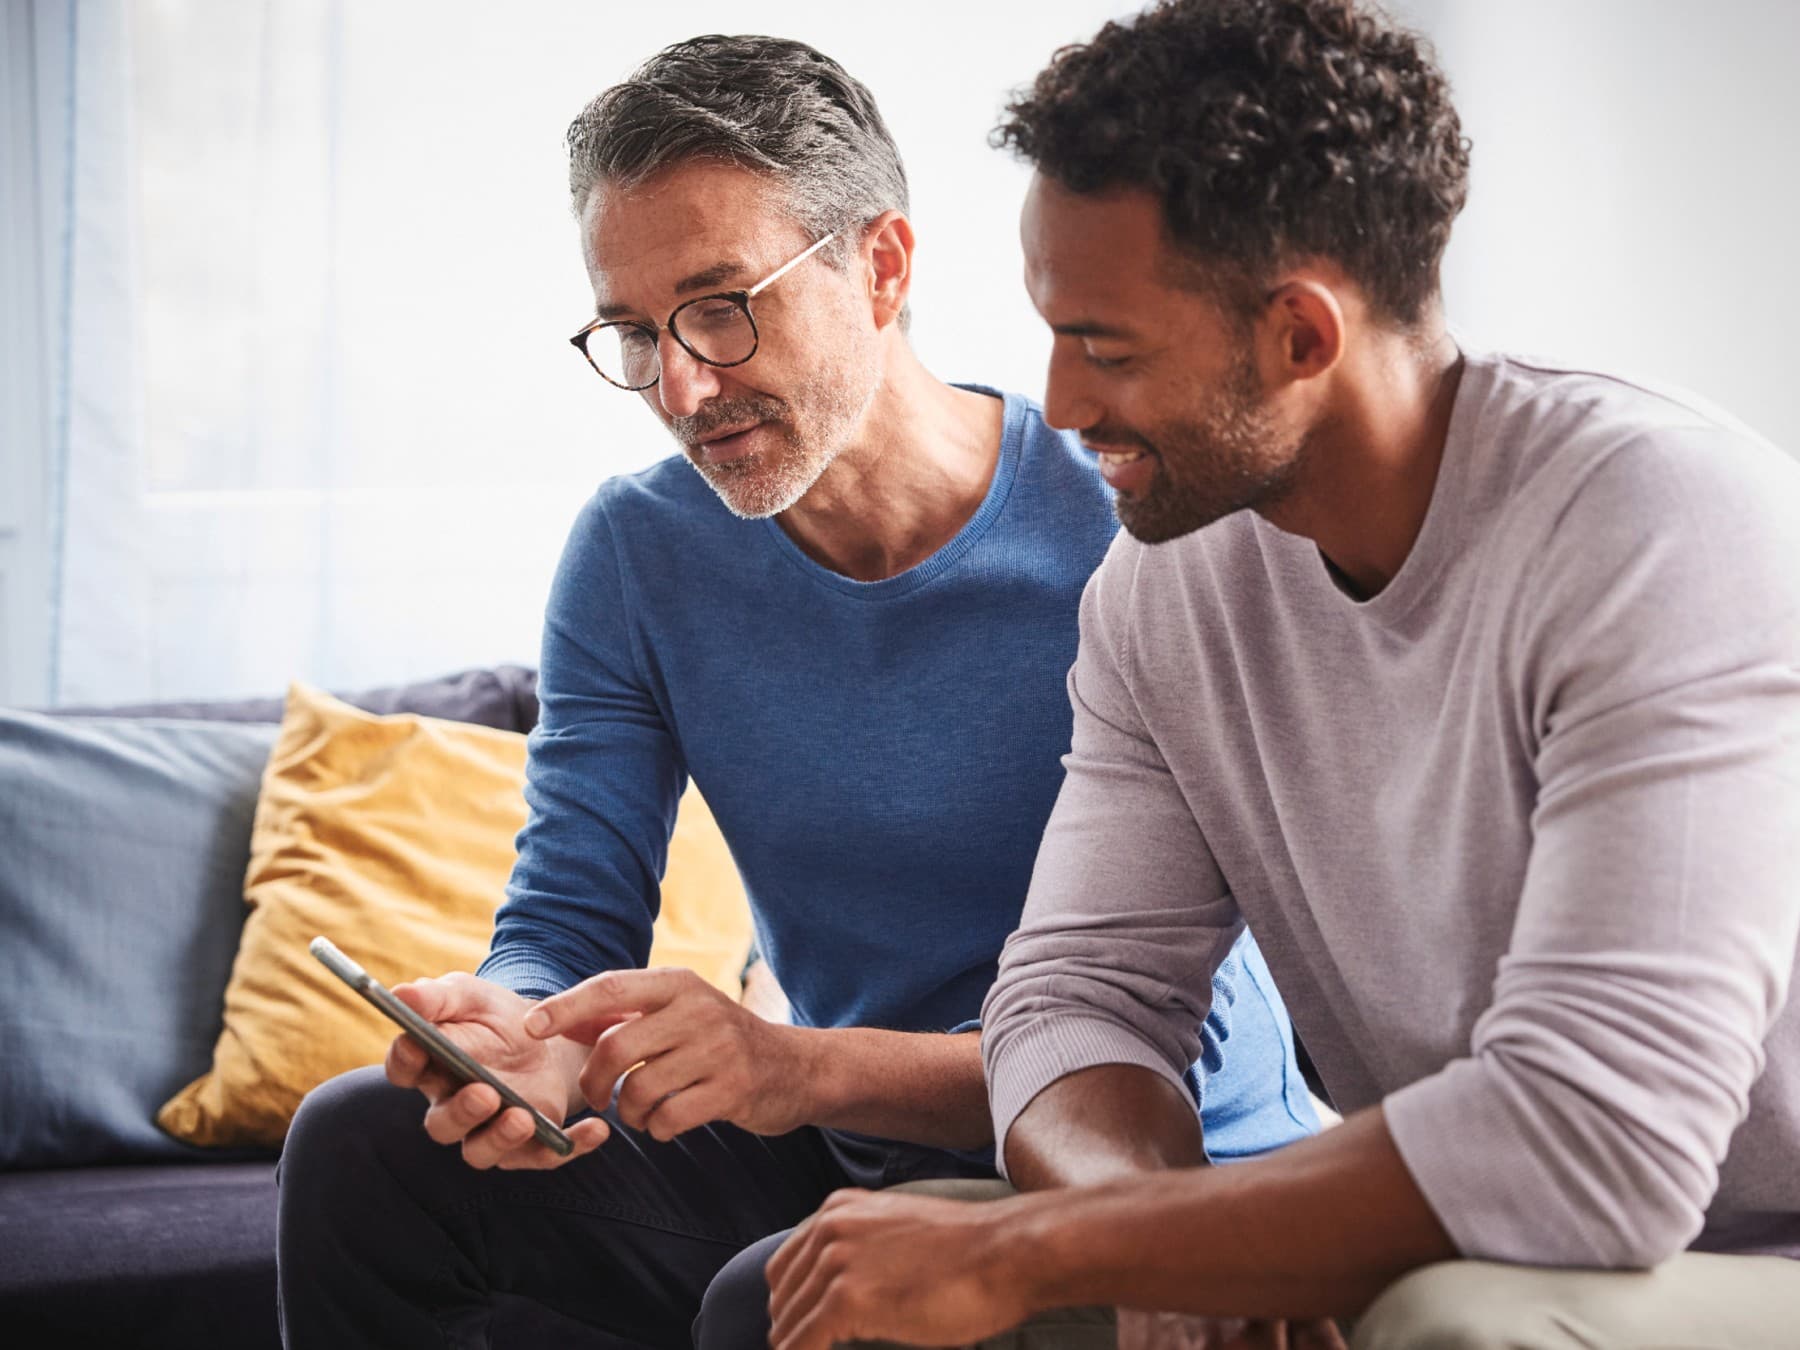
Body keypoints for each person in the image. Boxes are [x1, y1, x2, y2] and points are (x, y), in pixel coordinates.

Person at [762, 1, 1800, 1347]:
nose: (1058, 403)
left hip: (1728, 1238)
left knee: (1454, 1323)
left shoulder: (1661, 525)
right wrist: (1163, 1240)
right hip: (1492, 1221)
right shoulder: (1165, 589)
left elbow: (1595, 1142)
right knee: (836, 1298)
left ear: (1301, 337)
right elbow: (1073, 1001)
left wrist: (1064, 1245)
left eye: (1106, 344)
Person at [275, 33, 1316, 1350]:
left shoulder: (1132, 530)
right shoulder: (637, 552)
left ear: (880, 266)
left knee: (771, 1297)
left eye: (722, 304)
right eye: (636, 332)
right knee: (368, 1147)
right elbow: (570, 905)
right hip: (854, 1146)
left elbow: (1184, 1040)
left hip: (1167, 1176)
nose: (683, 385)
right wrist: (524, 1020)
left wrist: (796, 1067)